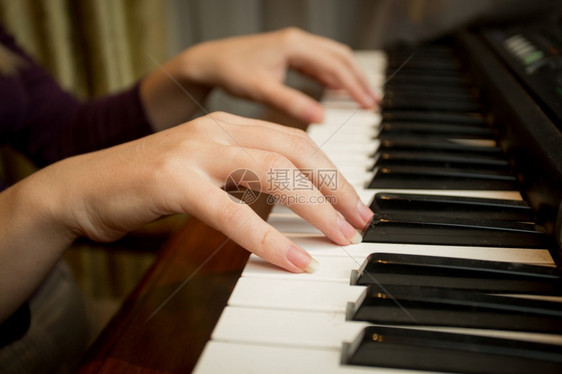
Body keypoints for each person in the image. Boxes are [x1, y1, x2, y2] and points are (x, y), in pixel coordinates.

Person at [0, 24, 375, 369]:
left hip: (64, 312)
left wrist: (195, 67)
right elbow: (65, 174)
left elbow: (65, 135)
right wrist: (59, 196)